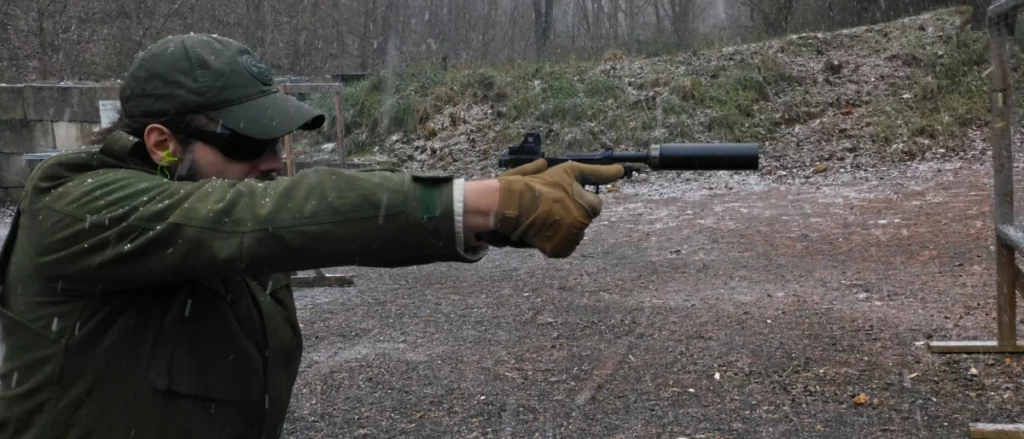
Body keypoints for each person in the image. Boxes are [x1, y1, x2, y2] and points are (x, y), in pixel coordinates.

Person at [0, 34, 623, 438]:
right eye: (249, 144)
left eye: (278, 141)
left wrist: (492, 217)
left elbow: (309, 228)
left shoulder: (203, 214)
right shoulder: (73, 202)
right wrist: (486, 201)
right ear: (162, 144)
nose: (274, 161)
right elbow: (263, 218)